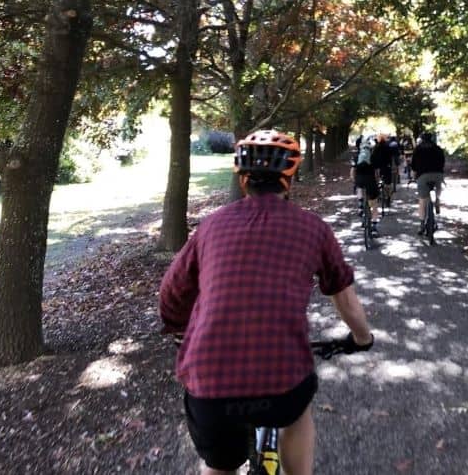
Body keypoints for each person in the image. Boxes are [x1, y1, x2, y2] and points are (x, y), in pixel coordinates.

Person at [159, 130, 374, 475]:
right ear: (288, 178)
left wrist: (177, 328)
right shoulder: (314, 228)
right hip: (283, 380)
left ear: (243, 180)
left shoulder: (211, 227)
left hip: (209, 381)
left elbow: (172, 292)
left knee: (218, 466)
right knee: (297, 415)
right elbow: (345, 298)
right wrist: (362, 339)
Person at [411, 132, 445, 235]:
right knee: (438, 188)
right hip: (437, 174)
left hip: (423, 176)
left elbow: (413, 166)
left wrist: (414, 176)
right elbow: (442, 163)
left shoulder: (418, 149)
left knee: (422, 201)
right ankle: (438, 201)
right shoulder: (438, 149)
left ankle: (421, 225)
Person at [353, 135, 381, 236]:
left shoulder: (356, 157)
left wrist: (354, 181)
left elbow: (353, 170)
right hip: (371, 181)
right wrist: (377, 182)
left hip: (360, 180)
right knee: (374, 204)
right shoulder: (373, 157)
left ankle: (361, 204)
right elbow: (377, 172)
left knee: (359, 188)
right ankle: (374, 226)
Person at [371, 133, 395, 205]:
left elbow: (372, 158)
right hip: (386, 167)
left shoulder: (375, 147)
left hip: (377, 168)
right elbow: (391, 158)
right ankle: (388, 197)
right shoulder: (388, 147)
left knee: (377, 181)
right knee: (388, 183)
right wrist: (392, 166)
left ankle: (378, 194)